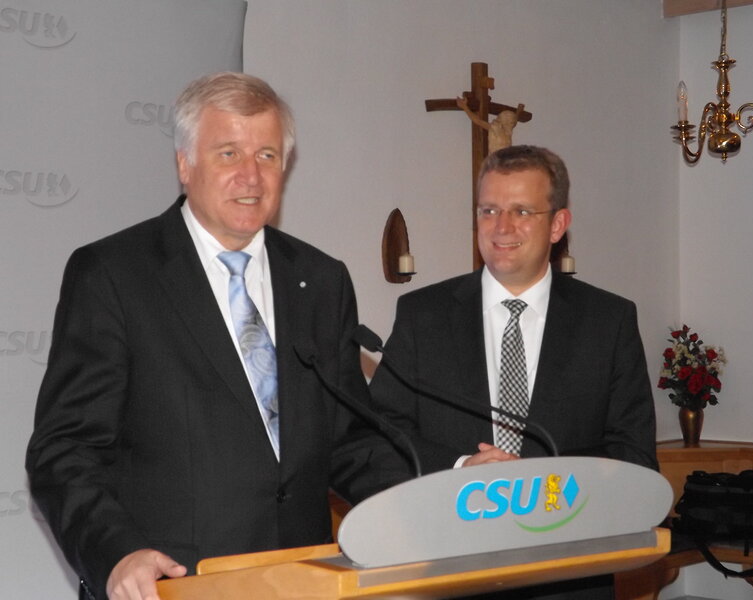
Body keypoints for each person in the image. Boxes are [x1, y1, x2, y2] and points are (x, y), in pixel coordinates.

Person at [26, 72, 411, 600]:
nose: (251, 176)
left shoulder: (320, 279)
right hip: (176, 585)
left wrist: (440, 500)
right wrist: (115, 553)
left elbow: (350, 441)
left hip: (306, 581)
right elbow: (64, 448)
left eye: (268, 156)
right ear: (185, 164)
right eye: (229, 153)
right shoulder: (115, 275)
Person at [369, 144, 657, 599]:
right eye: (489, 210)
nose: (502, 227)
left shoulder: (609, 321)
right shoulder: (423, 316)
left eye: (522, 210)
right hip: (447, 574)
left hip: (567, 577)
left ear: (558, 224)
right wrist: (460, 468)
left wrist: (540, 493)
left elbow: (635, 458)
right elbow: (376, 439)